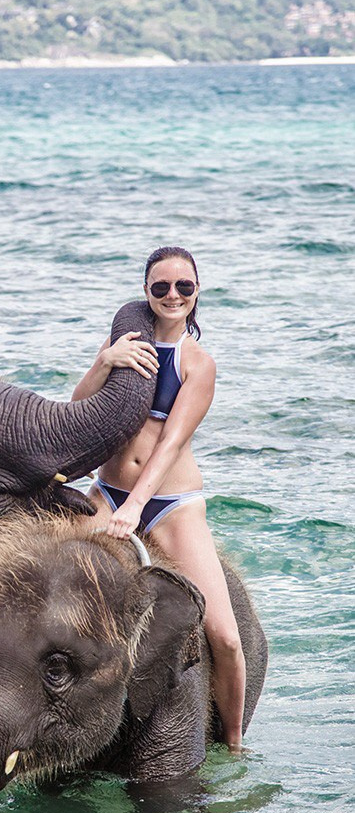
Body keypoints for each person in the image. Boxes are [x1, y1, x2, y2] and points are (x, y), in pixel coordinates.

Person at [72, 246, 246, 750]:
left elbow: (170, 445)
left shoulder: (198, 363)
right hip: (107, 489)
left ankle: (234, 742)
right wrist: (106, 361)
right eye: (161, 287)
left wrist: (133, 510)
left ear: (196, 293)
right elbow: (79, 409)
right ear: (147, 291)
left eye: (184, 287)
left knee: (227, 637)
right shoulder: (127, 343)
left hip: (170, 503)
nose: (173, 296)